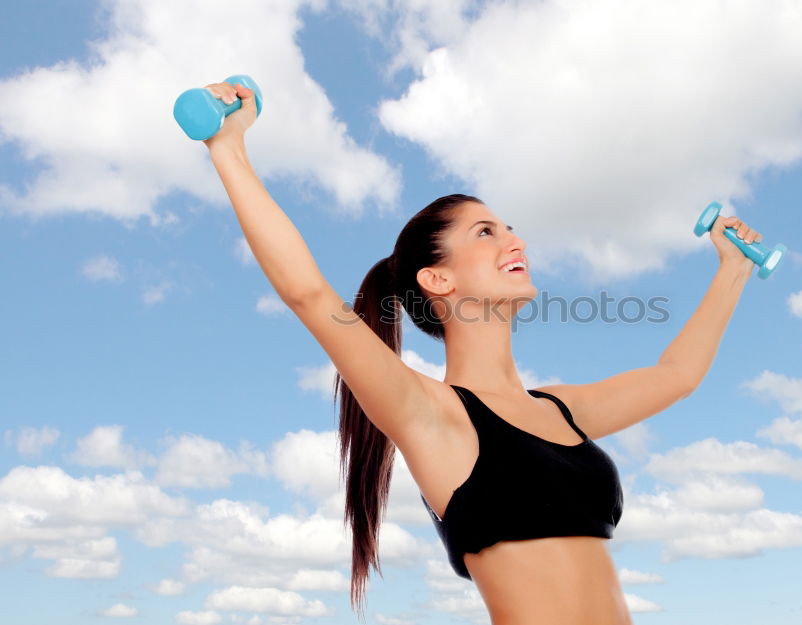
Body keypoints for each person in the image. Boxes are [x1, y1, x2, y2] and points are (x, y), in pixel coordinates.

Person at [202, 81, 763, 625]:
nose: (515, 241)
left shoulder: (560, 411)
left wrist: (733, 268)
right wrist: (228, 147)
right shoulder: (429, 413)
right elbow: (308, 294)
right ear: (437, 279)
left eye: (510, 229)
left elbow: (678, 374)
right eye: (486, 233)